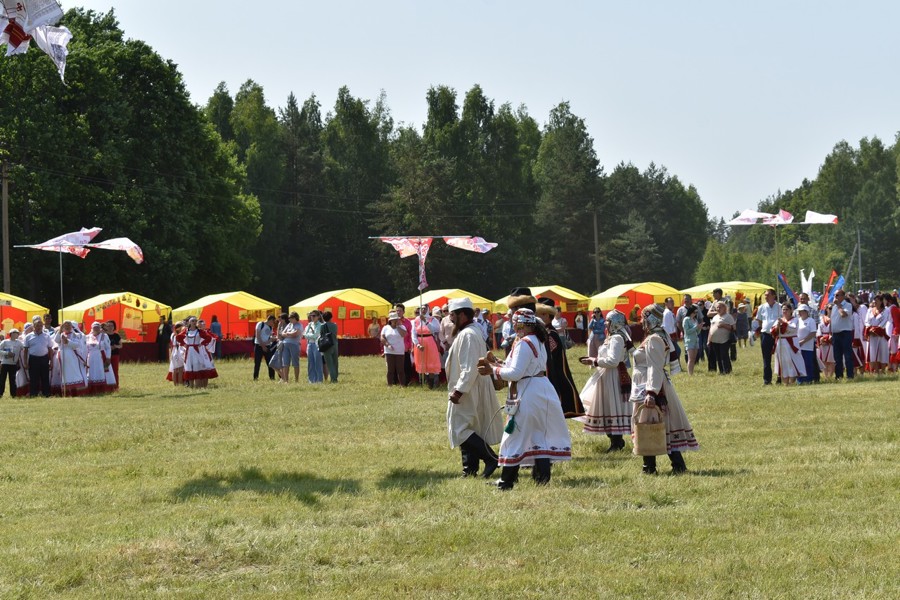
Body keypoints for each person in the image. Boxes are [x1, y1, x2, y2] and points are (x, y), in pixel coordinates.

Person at [481, 306, 571, 490]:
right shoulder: (537, 340)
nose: (515, 328)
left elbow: (515, 373)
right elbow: (522, 366)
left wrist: (493, 370)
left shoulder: (523, 342)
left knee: (514, 435)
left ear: (523, 324)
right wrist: (499, 363)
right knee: (539, 435)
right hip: (541, 388)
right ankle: (542, 479)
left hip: (528, 391)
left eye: (517, 324)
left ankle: (506, 482)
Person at [632, 304, 699, 475]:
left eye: (644, 318)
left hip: (653, 386)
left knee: (649, 423)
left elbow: (655, 367)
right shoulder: (658, 336)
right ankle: (675, 465)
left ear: (651, 319)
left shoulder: (655, 338)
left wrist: (651, 392)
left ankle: (651, 467)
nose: (641, 321)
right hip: (650, 385)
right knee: (659, 423)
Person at [446, 297, 502, 478]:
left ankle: (491, 458)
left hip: (468, 388)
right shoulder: (469, 332)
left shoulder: (468, 334)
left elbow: (470, 368)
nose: (450, 319)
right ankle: (469, 470)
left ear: (462, 315)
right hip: (470, 387)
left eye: (452, 315)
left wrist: (459, 391)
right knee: (469, 427)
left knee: (460, 428)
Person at [577, 309, 632, 452]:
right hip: (607, 375)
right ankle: (615, 442)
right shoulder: (612, 337)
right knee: (607, 407)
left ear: (615, 323)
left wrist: (594, 361)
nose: (606, 323)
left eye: (608, 321)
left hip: (613, 376)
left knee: (611, 406)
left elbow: (613, 361)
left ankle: (617, 442)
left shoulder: (617, 338)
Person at [536, 298, 584, 418]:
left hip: (553, 372)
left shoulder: (551, 334)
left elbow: (548, 355)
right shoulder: (545, 332)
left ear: (548, 316)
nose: (538, 316)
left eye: (541, 314)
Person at [176, 316, 217, 387]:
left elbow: (209, 337)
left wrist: (202, 344)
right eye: (192, 321)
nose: (194, 322)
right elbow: (178, 337)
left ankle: (198, 385)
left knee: (197, 366)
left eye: (195, 321)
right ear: (189, 322)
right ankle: (191, 386)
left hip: (197, 351)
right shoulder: (186, 331)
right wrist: (184, 344)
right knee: (189, 367)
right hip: (189, 351)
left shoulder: (199, 331)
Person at [772, 304, 805, 386]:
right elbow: (772, 331)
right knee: (783, 363)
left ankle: (791, 382)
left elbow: (792, 329)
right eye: (783, 309)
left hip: (791, 343)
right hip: (781, 343)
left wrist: (783, 324)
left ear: (791, 311)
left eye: (786, 309)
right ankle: (785, 383)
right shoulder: (779, 320)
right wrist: (777, 327)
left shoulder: (795, 320)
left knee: (792, 362)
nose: (784, 311)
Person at [754, 289, 782, 385]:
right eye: (765, 295)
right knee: (766, 358)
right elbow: (759, 320)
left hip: (778, 335)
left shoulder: (780, 307)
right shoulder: (761, 307)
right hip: (765, 335)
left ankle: (780, 378)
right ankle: (767, 380)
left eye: (768, 295)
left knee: (780, 357)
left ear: (774, 296)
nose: (766, 297)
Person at [53, 321, 88, 396]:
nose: (67, 327)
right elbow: (56, 340)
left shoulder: (76, 335)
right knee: (64, 374)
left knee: (74, 373)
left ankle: (76, 392)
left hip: (72, 356)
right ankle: (67, 392)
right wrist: (60, 331)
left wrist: (67, 341)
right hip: (63, 357)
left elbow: (77, 345)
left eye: (69, 325)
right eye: (65, 325)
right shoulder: (61, 334)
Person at [411, 305, 441, 389]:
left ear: (428, 309)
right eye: (422, 308)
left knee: (430, 362)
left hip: (430, 341)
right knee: (421, 361)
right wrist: (417, 344)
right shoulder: (416, 321)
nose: (423, 310)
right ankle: (422, 383)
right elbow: (413, 334)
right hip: (420, 342)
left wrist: (426, 322)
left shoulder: (433, 320)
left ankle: (430, 384)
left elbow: (435, 330)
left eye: (425, 308)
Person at [24, 317, 54, 397]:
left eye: (40, 325)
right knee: (33, 377)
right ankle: (33, 393)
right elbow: (25, 350)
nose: (39, 327)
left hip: (44, 358)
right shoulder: (28, 337)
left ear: (42, 326)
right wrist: (25, 363)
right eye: (37, 325)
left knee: (45, 376)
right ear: (33, 326)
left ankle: (46, 393)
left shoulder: (47, 336)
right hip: (33, 359)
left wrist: (51, 361)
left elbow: (50, 349)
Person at [830, 290, 855, 380]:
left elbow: (843, 314)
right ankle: (839, 376)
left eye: (837, 295)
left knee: (848, 356)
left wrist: (838, 306)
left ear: (843, 296)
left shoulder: (847, 305)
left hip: (845, 333)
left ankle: (850, 376)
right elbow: (832, 321)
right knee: (837, 357)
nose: (835, 297)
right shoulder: (833, 307)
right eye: (834, 295)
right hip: (835, 334)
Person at [85, 322, 116, 394]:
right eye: (94, 327)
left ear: (100, 328)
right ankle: (91, 390)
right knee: (91, 372)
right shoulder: (87, 337)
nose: (96, 329)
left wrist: (108, 358)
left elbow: (108, 348)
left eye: (97, 327)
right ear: (91, 328)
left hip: (100, 357)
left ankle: (102, 390)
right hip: (91, 357)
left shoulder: (104, 336)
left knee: (100, 371)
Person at [863, 295, 889, 375]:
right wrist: (869, 328)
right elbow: (866, 321)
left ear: (881, 301)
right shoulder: (870, 310)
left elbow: (884, 321)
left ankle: (883, 371)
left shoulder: (886, 310)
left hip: (881, 334)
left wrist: (877, 329)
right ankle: (874, 371)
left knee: (882, 352)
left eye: (877, 300)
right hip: (871, 335)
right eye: (874, 300)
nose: (875, 302)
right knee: (872, 353)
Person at [380, 311, 408, 386]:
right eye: (393, 319)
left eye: (396, 319)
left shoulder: (402, 327)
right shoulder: (386, 328)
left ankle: (402, 385)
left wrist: (398, 327)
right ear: (390, 320)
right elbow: (382, 338)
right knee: (390, 370)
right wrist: (387, 345)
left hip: (399, 351)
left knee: (400, 370)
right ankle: (389, 385)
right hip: (389, 351)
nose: (395, 321)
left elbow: (404, 334)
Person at [708, 301, 734, 375]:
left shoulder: (728, 316)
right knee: (718, 357)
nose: (718, 308)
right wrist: (709, 340)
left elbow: (733, 328)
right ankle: (721, 371)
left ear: (724, 308)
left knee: (724, 355)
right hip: (714, 340)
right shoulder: (715, 317)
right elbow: (711, 329)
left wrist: (724, 325)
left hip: (724, 340)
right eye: (717, 307)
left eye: (720, 307)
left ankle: (727, 371)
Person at [796, 304, 818, 384]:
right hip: (798, 346)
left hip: (807, 346)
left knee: (808, 363)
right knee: (799, 363)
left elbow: (813, 333)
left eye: (801, 311)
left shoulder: (810, 321)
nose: (800, 313)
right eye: (799, 311)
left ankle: (808, 379)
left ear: (806, 312)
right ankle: (800, 380)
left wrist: (803, 341)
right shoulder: (797, 320)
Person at [394, 304, 415, 386]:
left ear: (403, 312)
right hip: (395, 347)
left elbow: (410, 335)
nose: (398, 312)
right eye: (397, 310)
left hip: (405, 347)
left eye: (400, 310)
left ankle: (407, 381)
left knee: (406, 365)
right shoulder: (391, 321)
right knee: (395, 365)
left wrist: (410, 346)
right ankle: (395, 381)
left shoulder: (407, 322)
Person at [279, 312, 303, 383]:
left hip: (294, 344)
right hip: (285, 344)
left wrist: (287, 334)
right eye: (289, 318)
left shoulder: (299, 325)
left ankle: (296, 380)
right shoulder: (289, 325)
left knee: (295, 363)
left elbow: (295, 334)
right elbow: (282, 334)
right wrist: (289, 334)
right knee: (285, 363)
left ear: (295, 318)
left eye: (291, 318)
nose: (289, 319)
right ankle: (286, 380)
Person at [0, 328, 23, 397]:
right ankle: (0, 393)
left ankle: (13, 394)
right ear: (12, 334)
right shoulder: (5, 342)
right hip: (4, 363)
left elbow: (24, 349)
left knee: (13, 380)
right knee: (2, 379)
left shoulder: (19, 343)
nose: (18, 334)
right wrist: (6, 353)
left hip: (13, 364)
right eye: (16, 333)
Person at [253, 315, 277, 381]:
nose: (273, 324)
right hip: (259, 346)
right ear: (270, 320)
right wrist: (263, 346)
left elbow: (269, 336)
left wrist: (272, 338)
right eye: (273, 322)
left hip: (267, 346)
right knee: (257, 363)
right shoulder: (260, 324)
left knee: (270, 362)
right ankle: (255, 377)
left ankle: (272, 377)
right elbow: (257, 336)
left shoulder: (270, 327)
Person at [303, 311, 324, 384]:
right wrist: (308, 335)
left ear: (318, 316)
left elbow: (315, 335)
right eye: (311, 316)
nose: (312, 317)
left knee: (317, 362)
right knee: (310, 363)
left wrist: (307, 335)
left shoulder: (320, 325)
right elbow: (304, 334)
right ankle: (311, 380)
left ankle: (319, 380)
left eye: (314, 316)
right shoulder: (309, 324)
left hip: (317, 345)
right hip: (309, 344)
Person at [320, 311, 339, 382]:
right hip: (335, 344)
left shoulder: (322, 326)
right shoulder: (335, 325)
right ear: (331, 317)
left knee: (329, 363)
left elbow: (321, 335)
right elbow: (336, 333)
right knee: (335, 362)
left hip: (326, 345)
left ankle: (333, 378)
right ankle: (336, 377)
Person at [681, 305, 700, 375]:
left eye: (697, 312)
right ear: (691, 311)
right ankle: (690, 374)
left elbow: (697, 332)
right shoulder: (686, 319)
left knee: (694, 359)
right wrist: (696, 327)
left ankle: (692, 372)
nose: (696, 313)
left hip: (696, 340)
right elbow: (687, 331)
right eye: (695, 312)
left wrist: (699, 328)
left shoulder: (695, 320)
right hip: (689, 341)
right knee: (690, 359)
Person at [817, 309, 835, 379]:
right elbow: (819, 330)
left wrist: (830, 337)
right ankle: (826, 376)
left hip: (832, 340)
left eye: (832, 308)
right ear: (826, 309)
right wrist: (821, 338)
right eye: (829, 308)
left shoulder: (835, 318)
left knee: (831, 360)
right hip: (823, 341)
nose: (831, 310)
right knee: (824, 360)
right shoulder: (821, 318)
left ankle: (830, 376)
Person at [166, 321, 185, 386]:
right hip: (179, 351)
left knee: (175, 368)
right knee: (180, 368)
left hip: (174, 352)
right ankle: (180, 383)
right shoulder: (180, 334)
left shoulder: (172, 334)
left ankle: (175, 384)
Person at [105, 320, 122, 389]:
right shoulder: (104, 335)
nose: (110, 327)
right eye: (108, 326)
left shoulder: (116, 335)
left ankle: (116, 386)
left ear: (114, 326)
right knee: (106, 370)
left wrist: (115, 346)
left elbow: (121, 345)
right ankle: (106, 387)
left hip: (115, 355)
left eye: (111, 325)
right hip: (106, 356)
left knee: (115, 370)